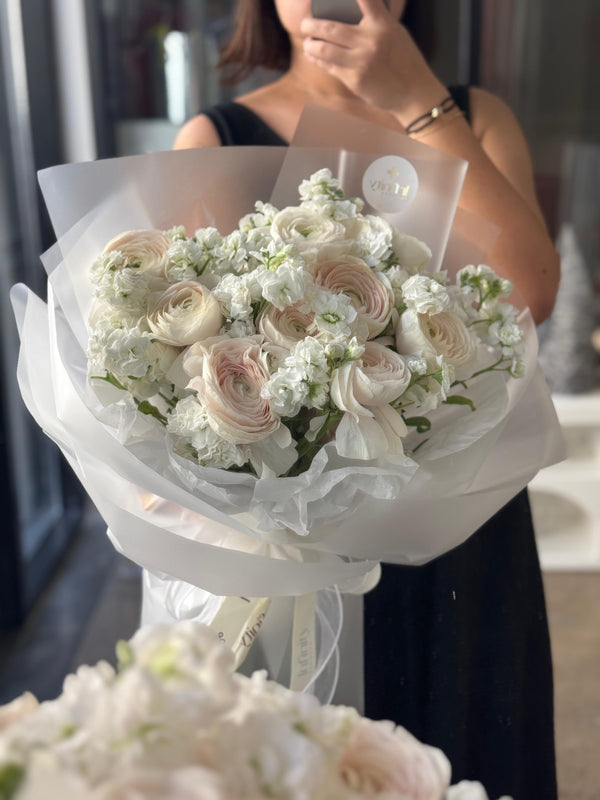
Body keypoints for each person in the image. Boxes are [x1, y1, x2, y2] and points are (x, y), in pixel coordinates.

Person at [174, 2, 560, 797]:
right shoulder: (217, 137)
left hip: (465, 523)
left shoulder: (475, 117)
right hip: (305, 542)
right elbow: (183, 368)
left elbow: (531, 291)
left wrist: (416, 97)